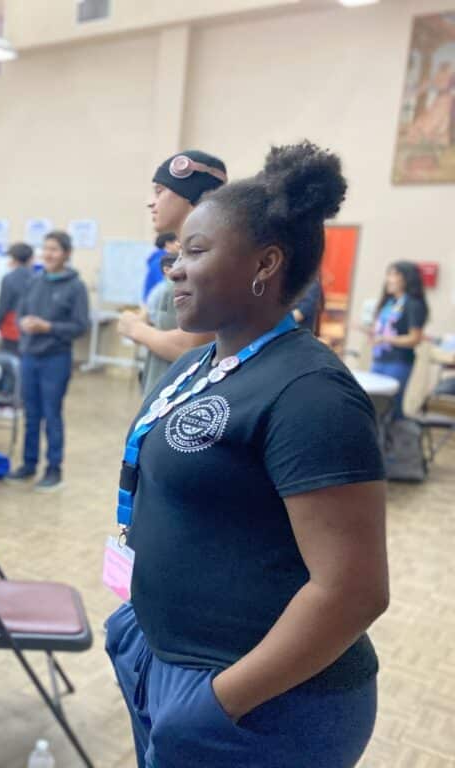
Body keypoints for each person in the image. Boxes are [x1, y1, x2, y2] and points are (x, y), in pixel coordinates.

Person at [105, 142, 388, 768]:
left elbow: (353, 591)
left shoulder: (311, 393)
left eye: (196, 251)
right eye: (179, 251)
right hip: (171, 654)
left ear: (266, 264)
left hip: (264, 702)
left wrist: (217, 704)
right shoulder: (208, 361)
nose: (175, 268)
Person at [118, 150, 227, 396]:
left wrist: (135, 328)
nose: (150, 202)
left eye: (159, 191)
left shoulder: (210, 258)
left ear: (191, 197)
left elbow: (193, 345)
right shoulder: (184, 257)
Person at [8, 230, 89, 491]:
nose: (48, 254)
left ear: (66, 254)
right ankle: (29, 463)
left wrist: (48, 327)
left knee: (51, 414)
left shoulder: (75, 286)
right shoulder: (35, 280)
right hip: (29, 357)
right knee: (31, 414)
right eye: (45, 249)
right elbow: (21, 312)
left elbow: (80, 325)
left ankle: (54, 468)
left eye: (54, 249)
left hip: (56, 358)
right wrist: (24, 323)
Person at [369, 261, 429, 418]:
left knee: (391, 406)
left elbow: (414, 338)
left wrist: (386, 339)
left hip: (398, 362)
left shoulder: (413, 304)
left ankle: (395, 440)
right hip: (379, 359)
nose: (389, 279)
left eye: (395, 274)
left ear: (407, 279)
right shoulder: (389, 302)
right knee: (374, 405)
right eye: (388, 274)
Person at [0, 242, 35, 355]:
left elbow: (3, 305)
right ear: (31, 259)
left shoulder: (8, 278)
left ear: (13, 259)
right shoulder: (37, 278)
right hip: (31, 326)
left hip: (10, 326)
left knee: (11, 361)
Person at [143, 232, 179, 302]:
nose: (179, 245)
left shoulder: (157, 259)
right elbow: (163, 285)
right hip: (156, 303)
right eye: (176, 242)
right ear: (168, 244)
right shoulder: (160, 261)